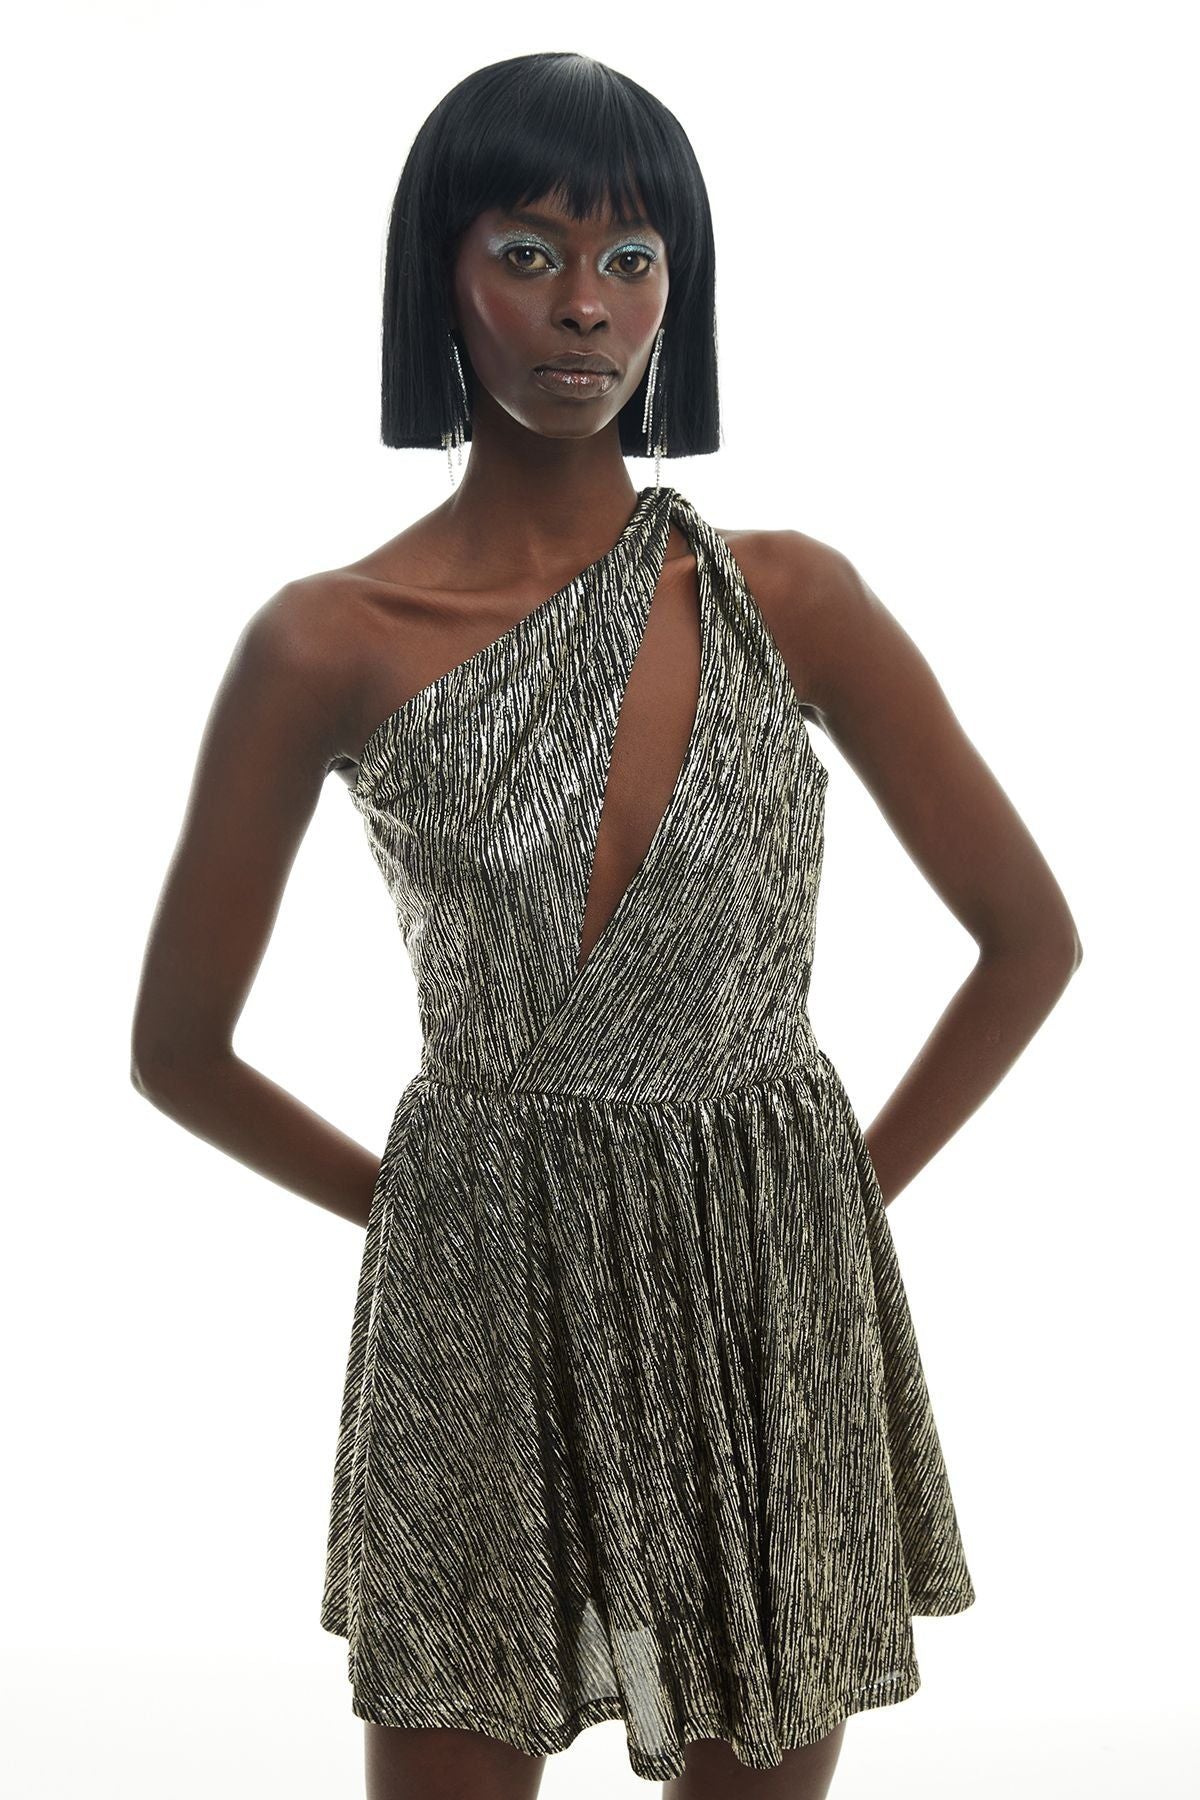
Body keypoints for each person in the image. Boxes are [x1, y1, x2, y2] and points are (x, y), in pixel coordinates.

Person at [130, 50, 1082, 1800]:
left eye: (631, 259)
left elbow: (1030, 940)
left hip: (769, 1305)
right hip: (480, 1307)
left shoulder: (789, 599)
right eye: (529, 251)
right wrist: (427, 1209)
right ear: (439, 275)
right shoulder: (328, 640)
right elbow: (177, 1055)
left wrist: (828, 1207)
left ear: (675, 294)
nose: (585, 306)